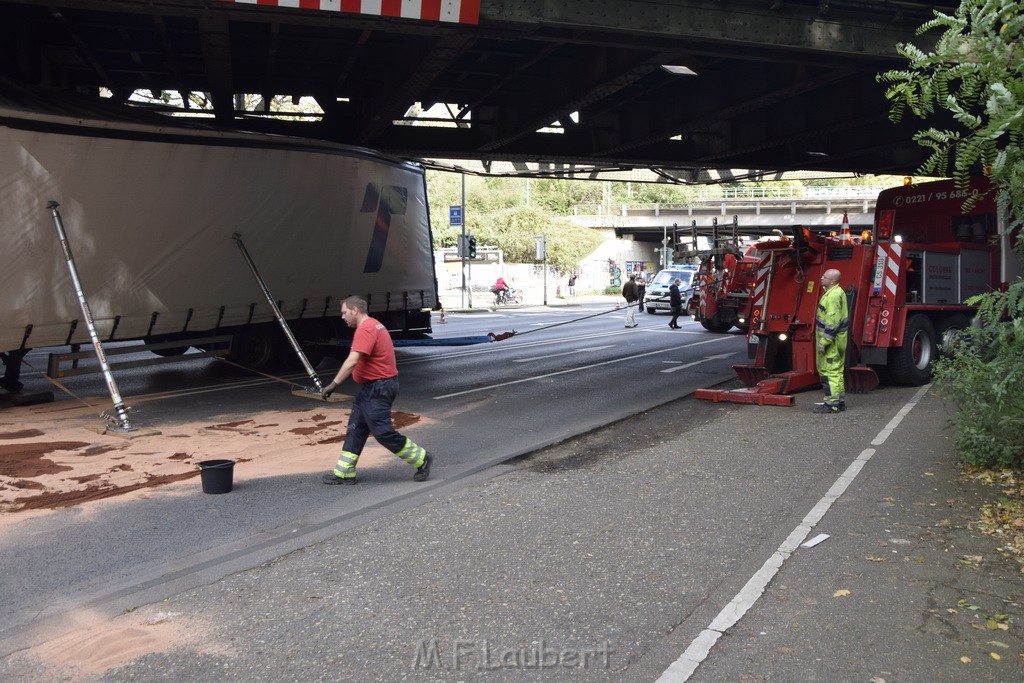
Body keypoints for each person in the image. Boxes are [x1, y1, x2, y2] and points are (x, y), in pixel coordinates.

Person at [321, 296, 433, 484]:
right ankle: (344, 473)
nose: (342, 317)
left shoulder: (366, 329)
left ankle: (422, 459)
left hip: (378, 388)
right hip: (373, 388)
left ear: (355, 310)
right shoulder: (374, 325)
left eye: (344, 312)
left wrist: (334, 384)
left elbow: (352, 361)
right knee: (355, 428)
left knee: (382, 432)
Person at [814, 268, 848, 414]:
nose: (821, 278)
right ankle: (839, 402)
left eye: (825, 276)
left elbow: (832, 322)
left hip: (831, 342)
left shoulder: (833, 296)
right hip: (838, 340)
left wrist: (824, 342)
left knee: (829, 373)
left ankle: (832, 405)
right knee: (837, 372)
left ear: (832, 281)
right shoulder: (836, 292)